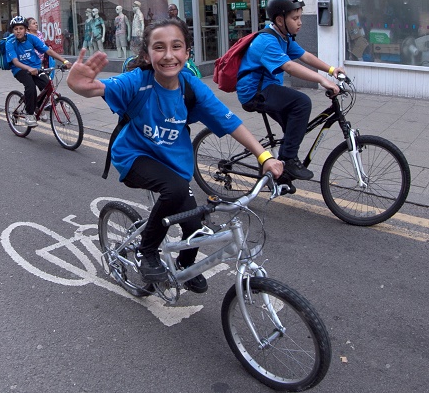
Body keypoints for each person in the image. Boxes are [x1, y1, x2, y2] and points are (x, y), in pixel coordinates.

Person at [66, 18, 284, 291]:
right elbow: (97, 88)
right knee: (175, 189)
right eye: (159, 47)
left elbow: (231, 123)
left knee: (195, 223)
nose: (169, 55)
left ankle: (185, 265)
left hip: (173, 163)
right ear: (147, 55)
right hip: (134, 157)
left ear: (187, 52)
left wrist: (265, 157)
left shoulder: (192, 89)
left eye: (176, 46)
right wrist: (78, 85)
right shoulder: (137, 82)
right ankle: (148, 250)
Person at [236, 0, 343, 181]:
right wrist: (321, 80)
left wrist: (331, 69)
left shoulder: (283, 37)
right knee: (301, 103)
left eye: (300, 17)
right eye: (295, 18)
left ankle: (279, 172)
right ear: (279, 20)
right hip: (254, 92)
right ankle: (288, 160)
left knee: (294, 129)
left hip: (267, 88)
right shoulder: (267, 40)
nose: (300, 22)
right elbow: (289, 67)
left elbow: (305, 56)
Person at [4, 16, 71, 127]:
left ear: (26, 29)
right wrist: (28, 68)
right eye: (16, 29)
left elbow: (48, 51)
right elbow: (15, 62)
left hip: (36, 67)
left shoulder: (31, 38)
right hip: (19, 69)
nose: (18, 31)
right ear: (12, 30)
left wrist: (64, 61)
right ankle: (30, 115)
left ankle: (37, 107)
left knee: (48, 86)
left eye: (21, 28)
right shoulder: (10, 42)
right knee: (30, 86)